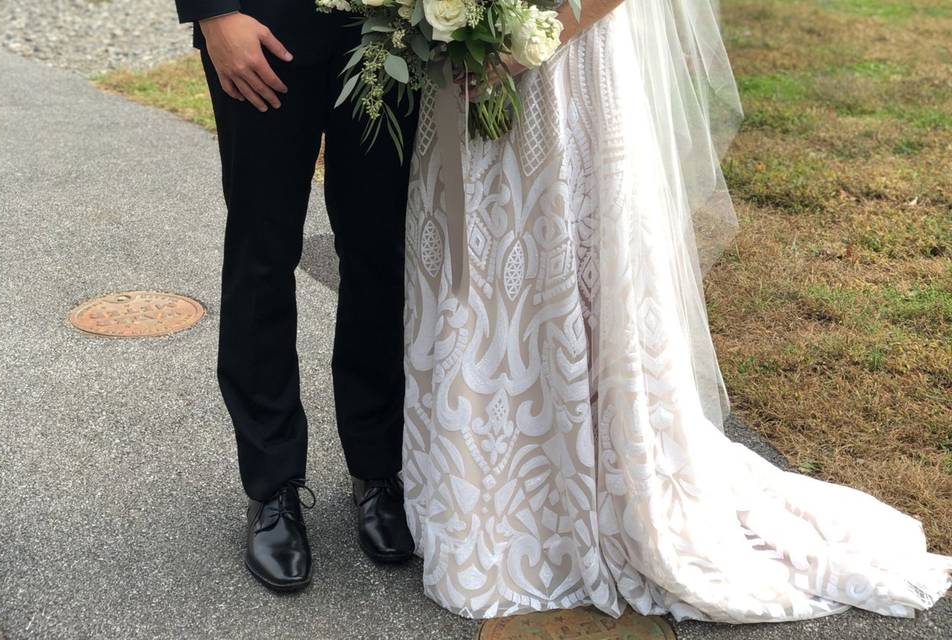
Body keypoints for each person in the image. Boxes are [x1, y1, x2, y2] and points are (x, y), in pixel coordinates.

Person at [402, 0, 952, 621]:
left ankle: (564, 497)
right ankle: (473, 488)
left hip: (570, 74)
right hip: (462, 68)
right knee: (477, 271)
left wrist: (522, 45)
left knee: (564, 265)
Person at [173, 0, 420, 592]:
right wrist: (212, 16)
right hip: (261, 24)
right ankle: (272, 484)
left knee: (380, 251)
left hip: (390, 28)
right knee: (262, 253)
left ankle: (378, 465)